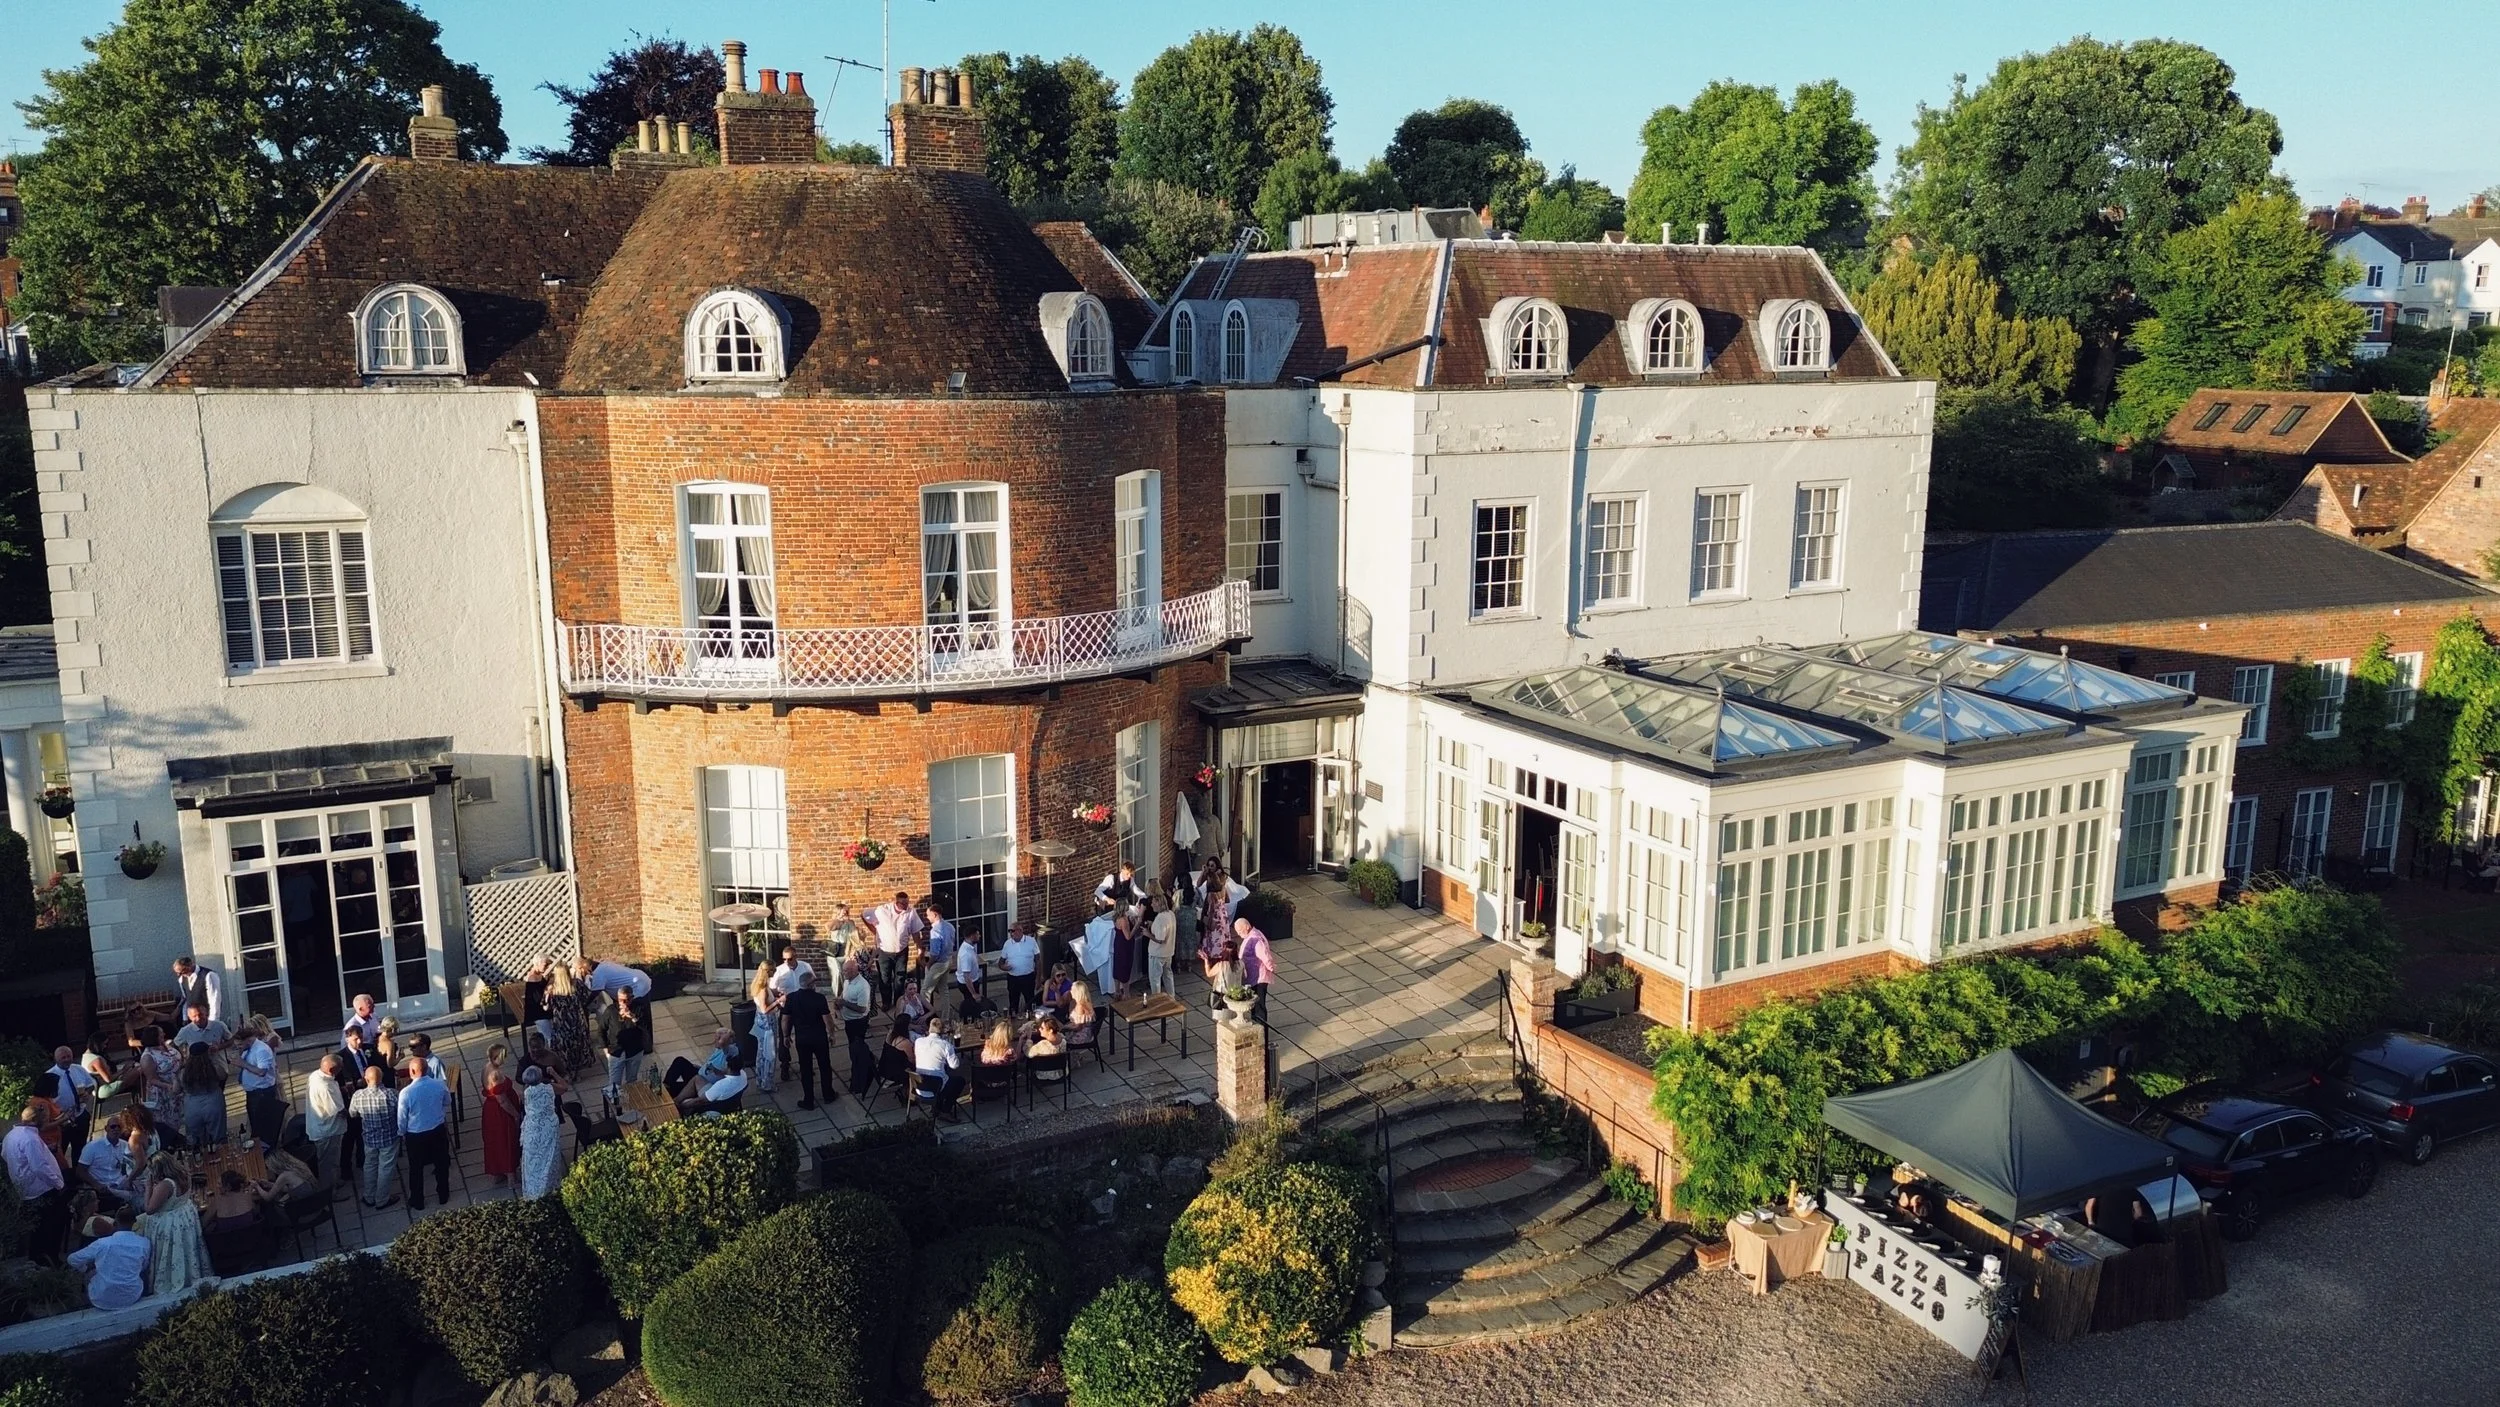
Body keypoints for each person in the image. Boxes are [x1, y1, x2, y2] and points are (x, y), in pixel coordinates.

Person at [134, 1156, 209, 1295]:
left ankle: (171, 1280)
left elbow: (149, 1209)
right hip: (183, 1216)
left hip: (169, 1223)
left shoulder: (165, 1185)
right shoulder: (184, 1174)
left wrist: (149, 1188)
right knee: (186, 1249)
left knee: (169, 1254)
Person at [7, 1103, 67, 1263]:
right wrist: (58, 1184)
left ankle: (39, 1261)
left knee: (36, 1229)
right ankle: (48, 1261)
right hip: (42, 1190)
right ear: (37, 1120)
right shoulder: (30, 1138)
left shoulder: (12, 1135)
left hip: (26, 1190)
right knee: (48, 1229)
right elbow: (39, 1167)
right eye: (46, 1119)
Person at [67, 1207, 151, 1311]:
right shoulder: (144, 1243)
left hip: (100, 1298)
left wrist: (85, 1269)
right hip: (132, 1296)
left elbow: (72, 1259)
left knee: (91, 1274)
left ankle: (87, 1305)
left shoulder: (102, 1243)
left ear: (115, 1223)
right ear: (134, 1222)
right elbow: (143, 1267)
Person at [398, 1057, 452, 1211]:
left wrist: (401, 1132)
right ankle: (443, 1194)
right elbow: (448, 1101)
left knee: (416, 1168)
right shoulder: (439, 1085)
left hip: (416, 1134)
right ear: (427, 1069)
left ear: (412, 1071)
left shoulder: (406, 1093)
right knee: (441, 1164)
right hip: (437, 1129)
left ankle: (417, 1199)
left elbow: (402, 1116)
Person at [781, 967, 836, 1110]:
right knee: (824, 1066)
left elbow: (785, 1019)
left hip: (802, 1039)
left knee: (805, 1068)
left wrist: (786, 1035)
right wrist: (831, 1034)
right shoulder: (819, 998)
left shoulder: (792, 998)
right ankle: (828, 1094)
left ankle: (808, 1100)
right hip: (819, 1037)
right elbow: (827, 1019)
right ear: (811, 984)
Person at [349, 1064, 399, 1209]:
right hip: (389, 1137)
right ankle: (382, 1199)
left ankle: (369, 1196)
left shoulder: (358, 1095)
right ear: (381, 1078)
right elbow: (400, 1112)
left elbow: (353, 1114)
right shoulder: (391, 1094)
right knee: (386, 1168)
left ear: (366, 1079)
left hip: (369, 1138)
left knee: (369, 1166)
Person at [866, 890, 923, 1003]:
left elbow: (916, 932)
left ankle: (898, 1001)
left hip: (901, 951)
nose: (906, 906)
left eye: (907, 903)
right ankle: (886, 1002)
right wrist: (875, 931)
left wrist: (919, 948)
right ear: (896, 902)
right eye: (903, 904)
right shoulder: (882, 910)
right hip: (884, 951)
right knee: (884, 978)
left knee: (900, 978)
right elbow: (865, 915)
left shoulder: (910, 913)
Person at [132, 1025, 183, 1151]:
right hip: (163, 1093)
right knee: (168, 1123)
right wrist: (169, 1086)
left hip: (178, 1087)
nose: (164, 1034)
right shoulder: (148, 1056)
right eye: (161, 1033)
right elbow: (151, 1079)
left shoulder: (167, 1046)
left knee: (179, 1118)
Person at [305, 1052, 348, 1197]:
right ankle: (330, 1193)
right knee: (327, 1163)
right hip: (328, 1131)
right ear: (331, 1070)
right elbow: (338, 1110)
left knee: (332, 1160)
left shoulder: (316, 1075)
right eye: (340, 1068)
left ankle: (334, 1181)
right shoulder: (325, 1087)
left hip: (320, 1126)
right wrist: (355, 1113)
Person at [237, 1017, 284, 1150]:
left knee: (264, 1125)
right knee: (255, 1123)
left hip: (262, 1091)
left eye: (240, 1044)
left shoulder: (262, 1047)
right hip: (253, 1091)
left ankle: (268, 1149)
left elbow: (262, 1071)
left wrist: (243, 1064)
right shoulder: (250, 1048)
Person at [545, 958, 598, 1074]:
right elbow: (586, 998)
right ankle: (578, 1070)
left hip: (561, 1022)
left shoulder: (552, 990)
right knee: (577, 1043)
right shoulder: (577, 984)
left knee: (564, 1046)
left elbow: (546, 1006)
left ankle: (567, 1071)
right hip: (576, 1019)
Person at [519, 1065, 564, 1199]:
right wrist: (554, 1073)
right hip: (549, 1128)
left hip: (532, 1129)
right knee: (550, 1157)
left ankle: (533, 1191)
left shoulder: (526, 1092)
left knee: (532, 1160)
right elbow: (564, 1087)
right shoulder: (549, 1088)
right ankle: (550, 1187)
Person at [480, 1044, 522, 1187]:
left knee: (495, 1142)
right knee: (507, 1141)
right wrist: (515, 1114)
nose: (505, 1060)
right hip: (500, 1114)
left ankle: (498, 1173)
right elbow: (502, 1101)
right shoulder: (495, 1075)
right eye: (503, 1057)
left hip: (490, 1111)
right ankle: (511, 1177)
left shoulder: (487, 1067)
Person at [835, 961, 875, 1101]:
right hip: (848, 1021)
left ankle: (858, 1079)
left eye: (846, 971)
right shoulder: (847, 981)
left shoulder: (862, 986)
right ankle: (870, 1063)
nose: (843, 973)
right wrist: (839, 1003)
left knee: (856, 1051)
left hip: (858, 1022)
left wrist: (844, 1004)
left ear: (853, 971)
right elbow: (844, 997)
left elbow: (862, 1008)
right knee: (855, 1048)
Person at [178, 1041, 228, 1149]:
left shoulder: (184, 1071)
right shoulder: (213, 1068)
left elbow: (176, 1089)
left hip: (192, 1105)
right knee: (218, 1137)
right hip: (213, 1102)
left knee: (196, 1141)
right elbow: (223, 1075)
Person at [599, 995, 650, 1102]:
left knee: (632, 1081)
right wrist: (605, 1050)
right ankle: (616, 1107)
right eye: (621, 1000)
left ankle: (632, 1102)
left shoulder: (638, 1008)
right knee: (614, 1083)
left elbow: (644, 1027)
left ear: (631, 998)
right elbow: (601, 1030)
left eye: (626, 1000)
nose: (623, 1003)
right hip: (616, 1052)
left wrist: (632, 1016)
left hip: (635, 1050)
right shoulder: (611, 1010)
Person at [45, 1046, 96, 1154]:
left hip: (80, 1114)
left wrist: (87, 1092)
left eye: (69, 1056)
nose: (67, 1059)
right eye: (63, 1057)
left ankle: (78, 1170)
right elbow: (45, 1100)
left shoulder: (78, 1069)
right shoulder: (49, 1076)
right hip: (63, 1121)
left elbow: (90, 1084)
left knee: (81, 1149)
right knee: (61, 1151)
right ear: (56, 1059)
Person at [575, 956, 655, 1020]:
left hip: (637, 988)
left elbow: (594, 994)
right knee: (645, 1016)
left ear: (584, 968)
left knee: (636, 1017)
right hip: (642, 980)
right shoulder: (604, 965)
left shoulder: (598, 975)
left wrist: (583, 1005)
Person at [77, 1116, 134, 1205]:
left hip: (119, 1184)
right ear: (106, 1128)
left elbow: (131, 1166)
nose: (116, 1129)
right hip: (101, 1185)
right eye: (113, 1126)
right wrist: (96, 1184)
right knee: (132, 1198)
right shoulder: (92, 1147)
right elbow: (80, 1171)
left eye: (119, 1127)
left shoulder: (126, 1145)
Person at [911, 1019, 964, 1115]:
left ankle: (937, 1106)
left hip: (919, 1085)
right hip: (935, 1087)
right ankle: (945, 1110)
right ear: (943, 1031)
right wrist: (952, 1053)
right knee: (960, 1081)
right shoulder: (946, 1045)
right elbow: (954, 1065)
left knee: (942, 1070)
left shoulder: (918, 1042)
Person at [1233, 915, 1276, 1025]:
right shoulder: (1250, 936)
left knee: (1259, 1004)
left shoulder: (1255, 939)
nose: (1238, 933)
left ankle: (1262, 1028)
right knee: (1253, 1003)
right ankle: (1255, 1023)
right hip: (1253, 977)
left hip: (1259, 977)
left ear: (1247, 927)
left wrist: (1271, 967)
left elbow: (1264, 955)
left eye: (1239, 930)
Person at [749, 961, 781, 1094]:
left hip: (760, 1022)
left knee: (761, 1053)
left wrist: (773, 993)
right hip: (767, 1024)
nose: (775, 972)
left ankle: (760, 1080)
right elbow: (764, 1009)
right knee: (769, 1053)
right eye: (773, 970)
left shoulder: (758, 985)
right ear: (768, 972)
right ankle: (767, 1083)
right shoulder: (762, 989)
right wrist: (779, 1001)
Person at [680, 1056, 749, 1114]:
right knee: (697, 1079)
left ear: (729, 1067)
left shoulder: (721, 1085)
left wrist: (682, 1106)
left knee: (687, 1102)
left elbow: (700, 1101)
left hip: (713, 1107)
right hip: (730, 1102)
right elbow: (730, 1075)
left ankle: (676, 1103)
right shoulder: (743, 1075)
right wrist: (716, 1070)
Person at [171, 955, 225, 1027]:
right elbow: (185, 998)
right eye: (177, 973)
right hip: (193, 1020)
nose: (179, 975)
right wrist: (185, 1018)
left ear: (189, 966)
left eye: (181, 972)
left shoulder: (209, 975)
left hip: (206, 1018)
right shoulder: (181, 979)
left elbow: (215, 1000)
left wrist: (213, 1022)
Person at [1000, 922, 1042, 1015]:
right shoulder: (1007, 944)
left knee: (1030, 1002)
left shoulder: (1031, 941)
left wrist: (1038, 979)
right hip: (1013, 978)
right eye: (1009, 931)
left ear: (1020, 930)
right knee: (1013, 1003)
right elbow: (1000, 963)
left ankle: (1030, 1021)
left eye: (1013, 931)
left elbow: (1038, 961)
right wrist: (1004, 967)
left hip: (1028, 977)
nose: (1011, 933)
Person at [920, 901, 956, 1003]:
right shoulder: (950, 926)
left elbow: (935, 953)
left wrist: (928, 965)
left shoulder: (935, 931)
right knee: (943, 990)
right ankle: (945, 1016)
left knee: (925, 991)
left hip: (939, 963)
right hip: (948, 960)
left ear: (935, 915)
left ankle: (928, 1015)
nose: (927, 917)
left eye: (928, 915)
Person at [1144, 894, 1178, 999]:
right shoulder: (1170, 914)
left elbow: (1160, 939)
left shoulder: (1160, 918)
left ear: (1159, 903)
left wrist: (1147, 934)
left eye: (1154, 902)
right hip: (1168, 952)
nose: (1152, 904)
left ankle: (1157, 1000)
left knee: (1155, 979)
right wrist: (1152, 924)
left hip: (1157, 954)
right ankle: (1172, 997)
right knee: (1168, 976)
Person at [1079, 907, 1116, 1001]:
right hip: (1107, 952)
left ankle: (1110, 988)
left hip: (1105, 951)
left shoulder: (1102, 925)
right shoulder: (1106, 926)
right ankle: (1109, 988)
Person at [523, 955, 555, 1046]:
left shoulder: (538, 975)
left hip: (541, 1011)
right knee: (549, 1036)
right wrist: (547, 991)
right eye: (545, 965)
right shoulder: (532, 978)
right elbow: (537, 997)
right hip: (538, 1012)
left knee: (545, 1034)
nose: (547, 967)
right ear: (537, 964)